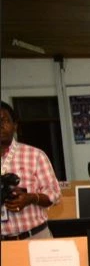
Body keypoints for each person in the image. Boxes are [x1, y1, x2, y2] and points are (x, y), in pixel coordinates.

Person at [1, 101, 61, 241]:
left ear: (14, 126)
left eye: (4, 120)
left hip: (34, 237)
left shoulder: (34, 155)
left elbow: (55, 194)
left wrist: (31, 198)